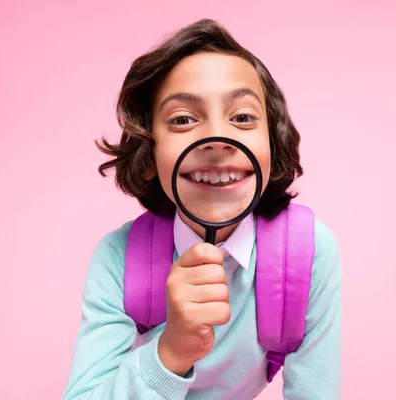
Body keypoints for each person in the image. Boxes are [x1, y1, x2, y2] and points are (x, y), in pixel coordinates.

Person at [62, 18, 341, 400]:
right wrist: (171, 352)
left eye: (242, 117)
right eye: (183, 120)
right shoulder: (118, 259)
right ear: (148, 155)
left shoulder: (306, 252)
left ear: (273, 148)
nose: (218, 139)